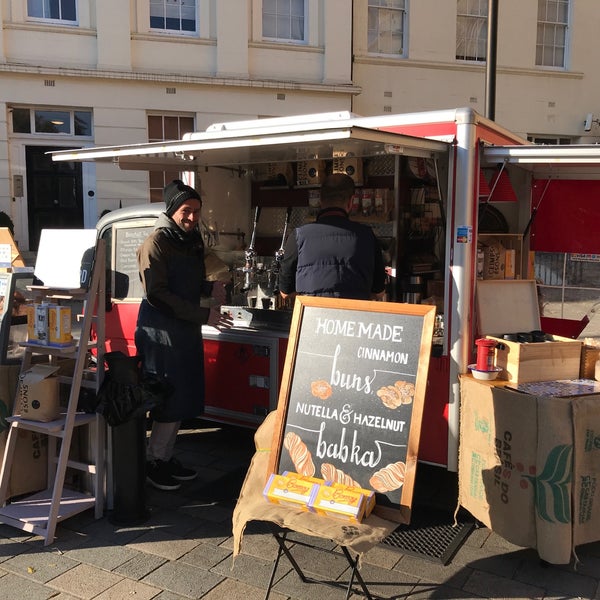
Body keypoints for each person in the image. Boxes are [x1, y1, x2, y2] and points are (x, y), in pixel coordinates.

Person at [135, 179, 229, 491]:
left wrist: (209, 288)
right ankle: (153, 462)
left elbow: (185, 282)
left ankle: (164, 457)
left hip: (183, 328)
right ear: (173, 210)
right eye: (186, 211)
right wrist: (204, 314)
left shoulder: (188, 240)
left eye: (196, 211)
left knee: (180, 395)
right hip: (161, 331)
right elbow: (157, 294)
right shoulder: (156, 242)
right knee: (166, 396)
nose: (191, 217)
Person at [278, 173, 386, 301]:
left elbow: (285, 292)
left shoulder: (298, 236)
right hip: (353, 318)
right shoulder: (367, 236)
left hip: (312, 317)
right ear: (351, 201)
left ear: (320, 201)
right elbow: (379, 292)